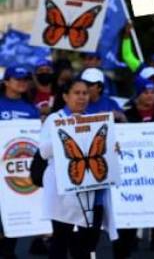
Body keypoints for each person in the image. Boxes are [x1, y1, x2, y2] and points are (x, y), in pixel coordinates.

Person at [39, 79, 112, 259]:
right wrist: (69, 128)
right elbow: (43, 152)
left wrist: (113, 147)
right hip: (62, 194)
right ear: (65, 96)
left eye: (85, 93)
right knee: (60, 241)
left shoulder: (94, 119)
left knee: (87, 245)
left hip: (91, 193)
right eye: (76, 93)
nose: (81, 97)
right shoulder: (54, 119)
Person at [112, 78, 154, 257]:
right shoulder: (126, 114)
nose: (150, 96)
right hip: (135, 168)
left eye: (152, 92)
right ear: (137, 95)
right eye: (145, 92)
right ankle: (132, 236)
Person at [0, 65, 39, 259]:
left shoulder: (31, 110)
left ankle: (8, 252)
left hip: (15, 170)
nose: (22, 82)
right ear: (6, 81)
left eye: (25, 79)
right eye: (17, 79)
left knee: (13, 210)